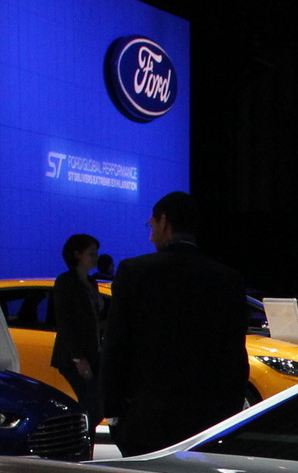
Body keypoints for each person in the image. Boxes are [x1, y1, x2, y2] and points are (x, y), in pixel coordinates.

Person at [99, 192, 250, 455]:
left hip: (146, 418)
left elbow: (116, 344)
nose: (150, 234)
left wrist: (112, 410)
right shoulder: (227, 279)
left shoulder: (134, 272)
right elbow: (234, 355)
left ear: (164, 222)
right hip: (207, 419)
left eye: (151, 225)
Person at [50, 233, 105, 424]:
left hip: (93, 353)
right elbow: (65, 322)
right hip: (75, 357)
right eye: (91, 253)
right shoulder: (65, 282)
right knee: (92, 407)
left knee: (95, 405)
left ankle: (82, 444)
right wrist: (78, 358)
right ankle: (79, 445)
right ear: (77, 254)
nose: (96, 257)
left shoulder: (91, 282)